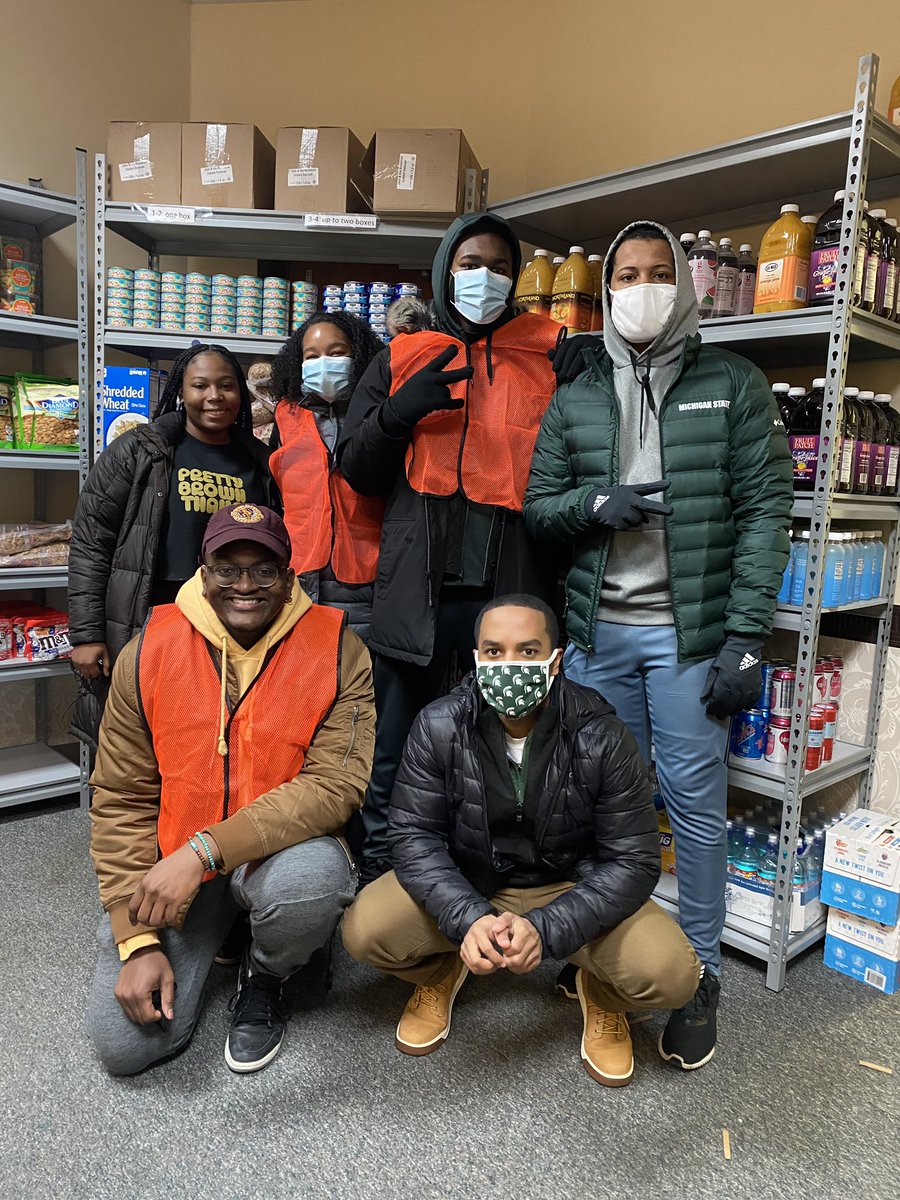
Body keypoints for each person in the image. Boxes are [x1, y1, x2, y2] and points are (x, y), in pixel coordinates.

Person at [523, 221, 792, 1070]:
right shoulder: (576, 396)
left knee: (695, 807)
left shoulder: (736, 385)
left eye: (655, 272)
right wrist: (590, 505)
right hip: (600, 638)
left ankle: (701, 972)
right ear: (606, 292)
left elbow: (763, 514)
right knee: (611, 807)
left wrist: (747, 636)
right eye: (625, 275)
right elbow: (539, 507)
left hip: (687, 642)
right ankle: (607, 954)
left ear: (683, 284)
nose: (640, 288)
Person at [343, 595, 700, 1088]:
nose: (509, 665)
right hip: (469, 879)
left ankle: (599, 992)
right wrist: (467, 918)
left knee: (673, 974)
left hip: (569, 886)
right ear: (476, 658)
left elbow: (634, 860)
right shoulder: (439, 725)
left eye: (528, 651)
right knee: (364, 932)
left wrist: (547, 928)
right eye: (493, 652)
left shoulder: (603, 735)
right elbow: (413, 836)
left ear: (555, 660)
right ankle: (440, 971)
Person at [85, 504, 374, 1076]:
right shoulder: (149, 648)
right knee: (126, 1048)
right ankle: (225, 930)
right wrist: (137, 941)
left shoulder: (339, 649)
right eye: (228, 568)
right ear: (203, 570)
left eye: (264, 570)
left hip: (272, 858)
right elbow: (120, 798)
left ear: (290, 576)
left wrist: (206, 850)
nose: (245, 586)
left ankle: (268, 971)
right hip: (176, 870)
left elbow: (334, 787)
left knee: (310, 882)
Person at [337, 212, 561, 884]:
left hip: (508, 595)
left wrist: (584, 370)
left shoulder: (546, 356)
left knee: (500, 745)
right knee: (394, 743)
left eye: (498, 266)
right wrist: (397, 413)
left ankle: (485, 867)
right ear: (443, 272)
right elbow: (354, 466)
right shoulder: (400, 357)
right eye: (469, 263)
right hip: (417, 594)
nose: (483, 277)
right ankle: (381, 867)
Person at [68, 343, 279, 746]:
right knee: (140, 740)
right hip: (153, 616)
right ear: (181, 392)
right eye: (200, 385)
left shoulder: (260, 461)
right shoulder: (140, 450)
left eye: (226, 385)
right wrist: (86, 634)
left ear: (241, 393)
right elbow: (92, 544)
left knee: (213, 737)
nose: (214, 396)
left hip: (230, 620)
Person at [268, 312, 385, 641]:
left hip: (366, 577)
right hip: (299, 572)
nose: (324, 363)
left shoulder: (379, 412)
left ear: (358, 355)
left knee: (358, 676)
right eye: (312, 356)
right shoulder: (286, 416)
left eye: (336, 353)